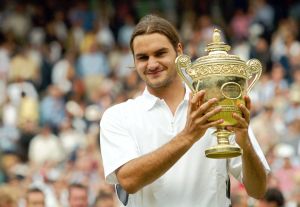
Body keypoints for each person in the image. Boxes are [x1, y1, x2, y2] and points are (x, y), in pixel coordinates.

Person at [100, 14, 269, 207]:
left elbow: (258, 189)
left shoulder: (216, 105)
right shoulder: (118, 116)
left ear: (179, 51)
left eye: (160, 53)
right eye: (143, 57)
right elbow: (129, 181)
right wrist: (188, 135)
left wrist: (245, 143)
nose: (152, 64)